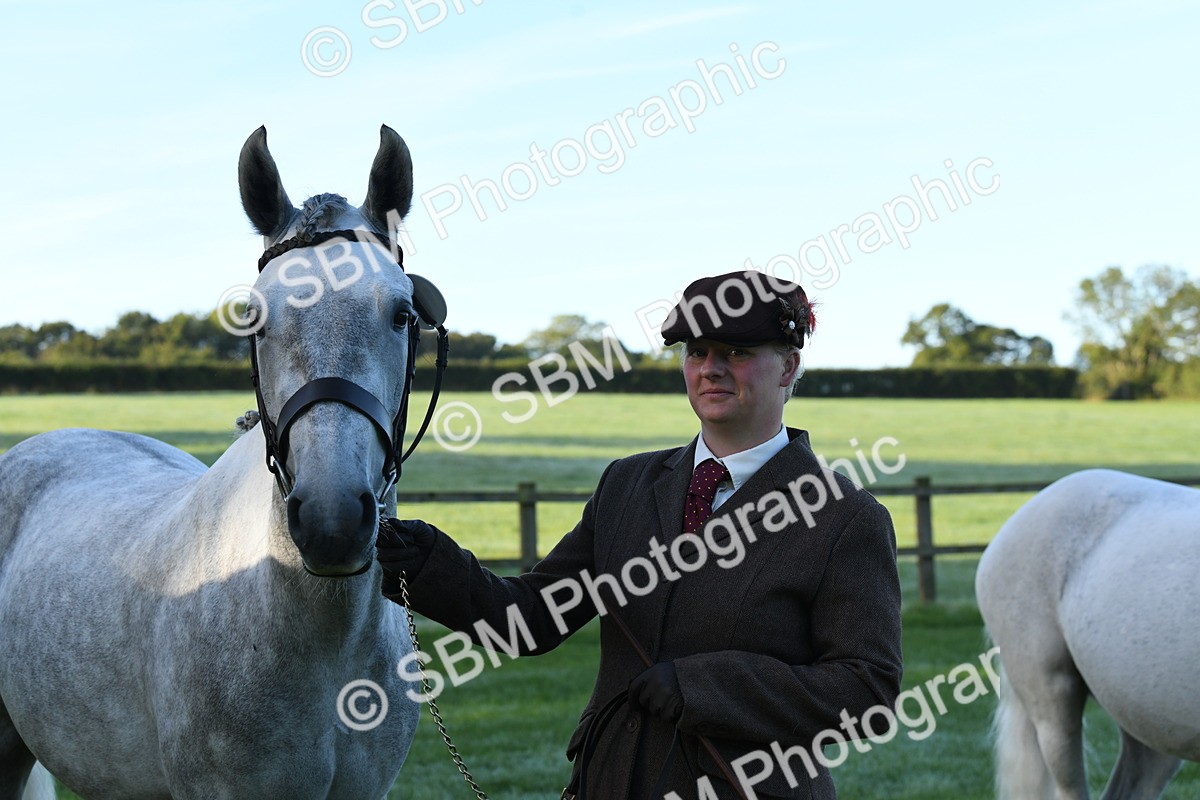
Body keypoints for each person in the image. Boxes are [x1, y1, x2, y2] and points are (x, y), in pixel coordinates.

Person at [378, 271, 903, 799]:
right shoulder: (627, 483)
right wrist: (430, 565)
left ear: (788, 366)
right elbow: (533, 620)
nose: (712, 369)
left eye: (737, 352)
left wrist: (705, 686)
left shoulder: (845, 518)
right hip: (611, 781)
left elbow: (867, 691)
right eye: (696, 352)